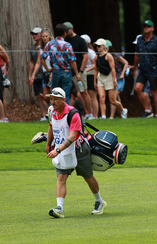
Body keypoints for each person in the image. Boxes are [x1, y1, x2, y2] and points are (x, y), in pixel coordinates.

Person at [46, 87, 106, 218]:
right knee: (61, 177)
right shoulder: (52, 111)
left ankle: (99, 201)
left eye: (55, 99)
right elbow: (52, 127)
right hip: (62, 150)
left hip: (79, 150)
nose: (53, 102)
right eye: (51, 99)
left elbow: (73, 136)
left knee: (87, 176)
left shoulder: (73, 114)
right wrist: (48, 144)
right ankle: (59, 208)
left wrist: (57, 150)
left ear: (63, 100)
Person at [41, 23, 81, 105]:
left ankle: (52, 114)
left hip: (55, 72)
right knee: (65, 95)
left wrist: (48, 69)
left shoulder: (50, 44)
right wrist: (77, 73)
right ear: (65, 33)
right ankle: (64, 115)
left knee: (54, 94)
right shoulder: (67, 45)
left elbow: (43, 58)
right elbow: (72, 61)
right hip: (66, 71)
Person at [63, 22, 94, 120]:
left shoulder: (80, 40)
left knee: (83, 92)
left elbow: (85, 56)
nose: (65, 32)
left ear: (71, 29)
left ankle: (90, 114)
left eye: (66, 30)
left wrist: (80, 70)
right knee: (68, 93)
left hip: (79, 72)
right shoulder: (65, 40)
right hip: (68, 71)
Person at [134, 20, 157, 118]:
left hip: (153, 69)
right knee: (137, 88)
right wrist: (134, 69)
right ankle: (148, 110)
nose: (145, 28)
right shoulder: (140, 40)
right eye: (144, 26)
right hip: (142, 69)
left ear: (152, 28)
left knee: (154, 91)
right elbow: (137, 55)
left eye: (148, 26)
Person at [93, 38, 128, 119]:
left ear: (104, 46)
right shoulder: (96, 57)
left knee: (112, 100)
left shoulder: (108, 56)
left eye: (99, 46)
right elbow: (96, 70)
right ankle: (103, 116)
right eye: (96, 46)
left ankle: (123, 110)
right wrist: (95, 81)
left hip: (109, 78)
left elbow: (112, 69)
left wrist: (114, 80)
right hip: (100, 78)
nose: (97, 47)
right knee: (101, 98)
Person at [28, 26, 48, 121]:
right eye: (33, 34)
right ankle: (44, 115)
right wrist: (30, 75)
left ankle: (49, 112)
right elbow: (32, 62)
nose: (34, 36)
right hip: (36, 75)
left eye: (36, 34)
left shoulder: (47, 47)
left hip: (45, 73)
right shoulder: (32, 47)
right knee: (38, 96)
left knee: (44, 95)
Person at [30, 28, 54, 104]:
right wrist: (33, 75)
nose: (44, 38)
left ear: (49, 36)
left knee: (53, 95)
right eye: (43, 36)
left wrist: (52, 71)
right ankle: (51, 110)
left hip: (52, 72)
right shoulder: (41, 48)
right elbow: (38, 62)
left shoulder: (53, 46)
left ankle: (55, 112)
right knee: (45, 96)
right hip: (45, 73)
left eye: (46, 36)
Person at [106, 40, 129, 119]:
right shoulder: (104, 56)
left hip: (119, 79)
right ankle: (123, 113)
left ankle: (112, 116)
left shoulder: (115, 55)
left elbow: (126, 63)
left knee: (114, 97)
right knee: (117, 98)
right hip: (112, 80)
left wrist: (123, 73)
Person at [81, 34, 98, 118]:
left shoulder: (90, 52)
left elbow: (96, 64)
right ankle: (89, 113)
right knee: (84, 94)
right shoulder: (82, 51)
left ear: (87, 43)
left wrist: (86, 70)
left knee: (92, 96)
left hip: (91, 74)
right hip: (85, 75)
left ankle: (95, 115)